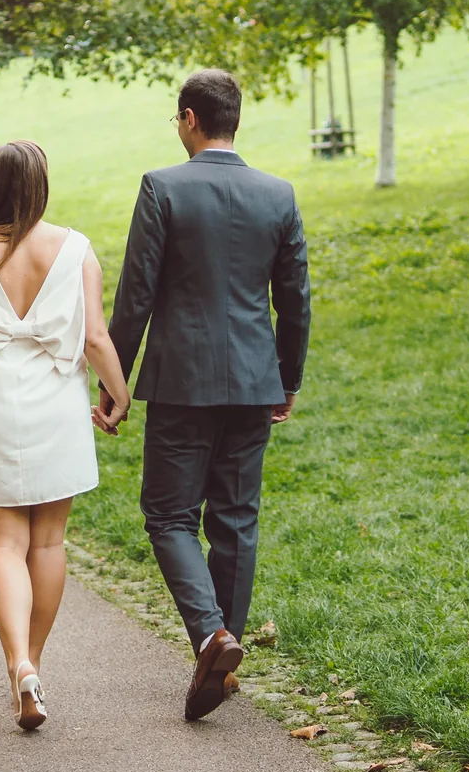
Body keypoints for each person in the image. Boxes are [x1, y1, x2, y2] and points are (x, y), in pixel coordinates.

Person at [99, 68, 310, 722]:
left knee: (167, 515)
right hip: (253, 380)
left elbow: (135, 295)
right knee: (236, 519)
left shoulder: (163, 188)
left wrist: (114, 383)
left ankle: (211, 635)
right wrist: (288, 376)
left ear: (190, 117)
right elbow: (294, 299)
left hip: (181, 379)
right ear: (233, 119)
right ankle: (222, 660)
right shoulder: (278, 194)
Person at [0, 139, 131, 731]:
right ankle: (34, 665)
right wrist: (119, 394)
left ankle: (19, 663)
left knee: (2, 545)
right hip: (57, 401)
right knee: (47, 544)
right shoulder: (74, 249)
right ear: (40, 185)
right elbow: (96, 338)